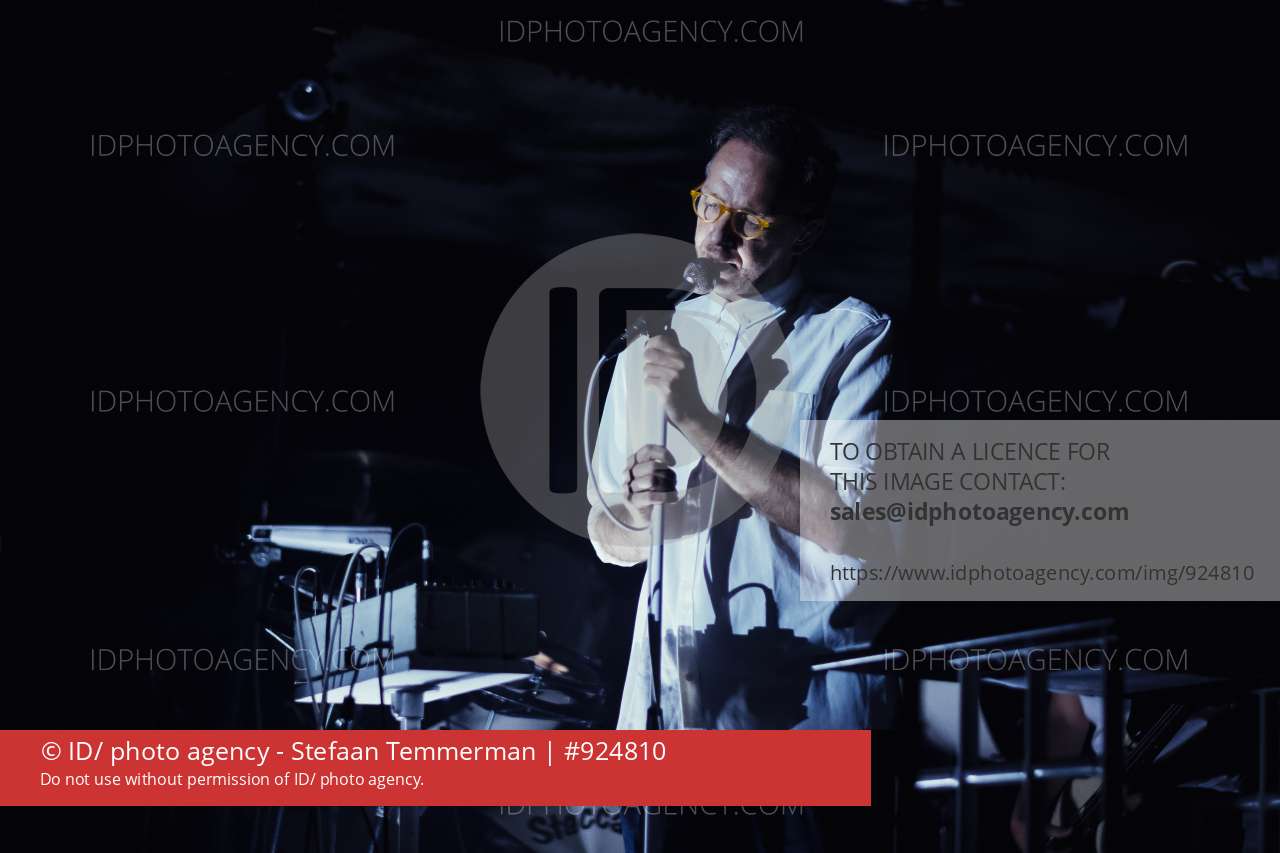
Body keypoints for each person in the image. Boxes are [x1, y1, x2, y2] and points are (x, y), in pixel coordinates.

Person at [587, 105, 896, 850]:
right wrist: (635, 512)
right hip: (664, 727)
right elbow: (606, 537)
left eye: (749, 220)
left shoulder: (851, 340)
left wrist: (700, 421)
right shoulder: (649, 349)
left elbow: (851, 526)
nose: (717, 237)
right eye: (709, 205)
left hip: (800, 733)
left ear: (805, 232)